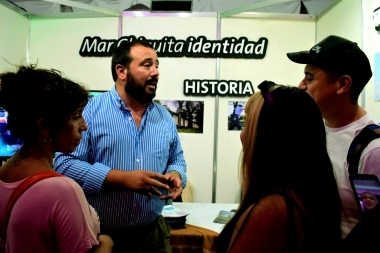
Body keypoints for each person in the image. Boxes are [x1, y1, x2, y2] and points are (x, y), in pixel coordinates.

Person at [54, 40, 187, 253]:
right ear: (121, 71)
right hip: (101, 238)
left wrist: (176, 175)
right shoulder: (89, 111)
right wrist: (121, 179)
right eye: (147, 64)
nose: (156, 72)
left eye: (157, 64)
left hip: (153, 236)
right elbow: (64, 165)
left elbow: (177, 159)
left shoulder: (164, 116)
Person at [215, 82, 342, 253]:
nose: (242, 135)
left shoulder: (270, 212)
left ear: (270, 138)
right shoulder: (303, 199)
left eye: (249, 125)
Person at [0, 65, 113, 253]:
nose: (84, 126)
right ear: (45, 126)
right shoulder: (63, 191)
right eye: (76, 116)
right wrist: (106, 244)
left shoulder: (4, 175)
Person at [287, 35, 380, 237]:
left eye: (309, 77)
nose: (301, 85)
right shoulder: (313, 132)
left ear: (343, 85)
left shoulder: (372, 149)